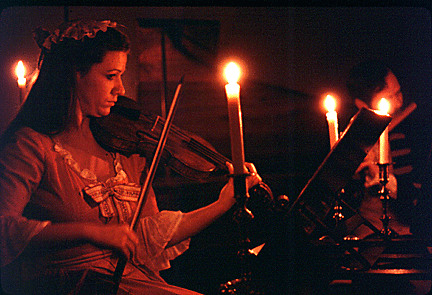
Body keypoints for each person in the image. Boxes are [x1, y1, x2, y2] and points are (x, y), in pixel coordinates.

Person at [0, 20, 262, 295]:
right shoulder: (29, 145)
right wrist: (90, 231)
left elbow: (146, 236)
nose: (121, 89)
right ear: (75, 73)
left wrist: (223, 203)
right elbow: (4, 226)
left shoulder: (120, 145)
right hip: (70, 285)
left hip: (129, 279)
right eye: (111, 76)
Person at [345, 59, 431, 295]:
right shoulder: (352, 138)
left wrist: (392, 184)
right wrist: (351, 172)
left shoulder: (409, 134)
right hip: (366, 235)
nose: (399, 101)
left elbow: (417, 197)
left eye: (399, 92)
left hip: (404, 230)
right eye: (390, 96)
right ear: (362, 104)